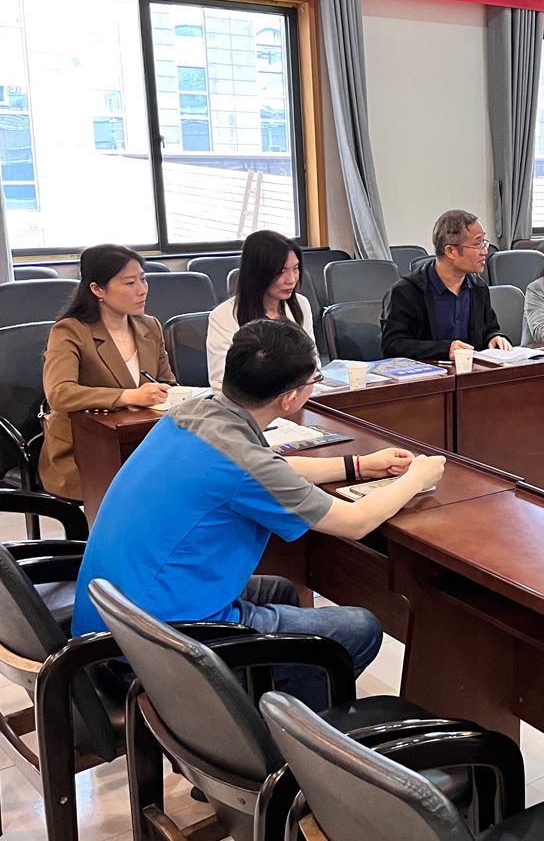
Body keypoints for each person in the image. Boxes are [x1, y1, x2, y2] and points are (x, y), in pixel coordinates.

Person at [71, 319, 447, 704]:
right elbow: (355, 522)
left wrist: (358, 466)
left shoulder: (195, 411)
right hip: (156, 646)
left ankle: (268, 702)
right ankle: (283, 734)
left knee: (282, 590)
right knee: (358, 628)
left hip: (113, 618)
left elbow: (267, 470)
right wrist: (418, 477)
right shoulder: (242, 462)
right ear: (289, 398)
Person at [40, 245, 175, 502]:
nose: (142, 289)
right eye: (130, 283)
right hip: (86, 450)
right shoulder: (70, 331)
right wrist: (128, 396)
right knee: (142, 493)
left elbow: (167, 383)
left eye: (143, 279)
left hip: (142, 442)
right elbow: (59, 393)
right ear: (97, 289)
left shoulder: (149, 326)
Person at [381, 209, 512, 359]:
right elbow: (393, 345)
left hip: (471, 369)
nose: (485, 251)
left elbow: (489, 329)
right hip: (429, 371)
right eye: (477, 244)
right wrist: (444, 350)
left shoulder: (478, 288)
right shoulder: (406, 292)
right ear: (450, 251)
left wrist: (494, 337)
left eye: (484, 243)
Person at [206, 230, 314, 391]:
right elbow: (221, 383)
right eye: (282, 271)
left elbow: (312, 364)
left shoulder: (301, 304)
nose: (291, 279)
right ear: (258, 273)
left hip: (297, 398)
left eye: (296, 268)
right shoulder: (223, 316)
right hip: (249, 403)